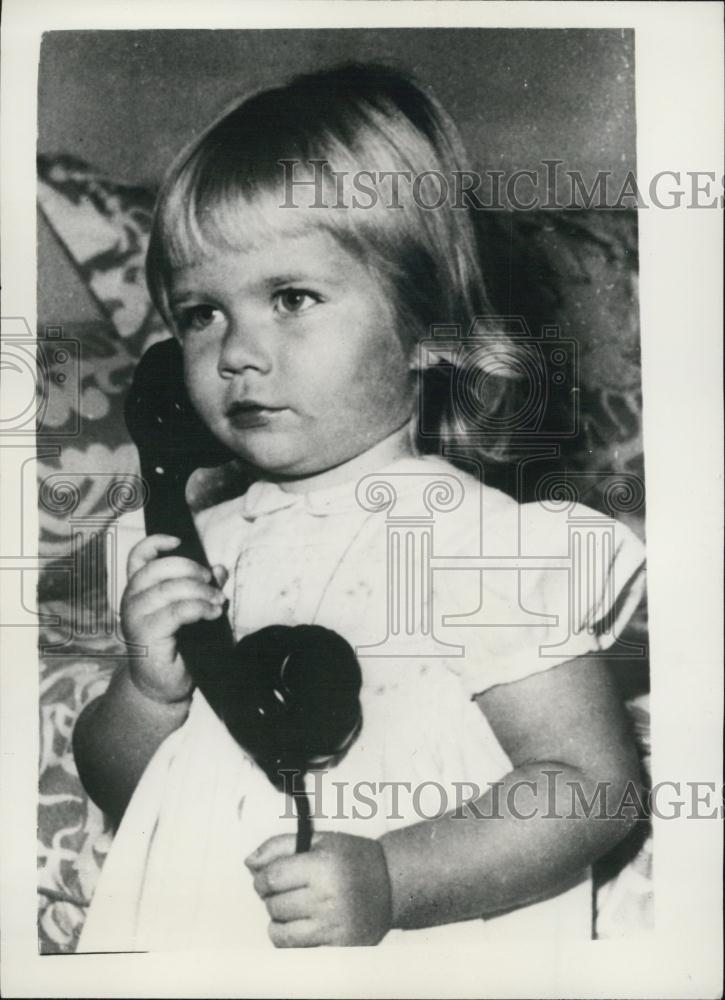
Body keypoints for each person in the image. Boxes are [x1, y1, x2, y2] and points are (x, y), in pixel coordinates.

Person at [73, 63, 647, 951]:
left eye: (291, 298)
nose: (235, 353)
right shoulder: (197, 549)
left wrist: (393, 878)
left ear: (424, 327)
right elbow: (125, 792)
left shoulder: (479, 543)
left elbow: (591, 786)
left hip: (414, 942)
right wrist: (146, 694)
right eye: (199, 314)